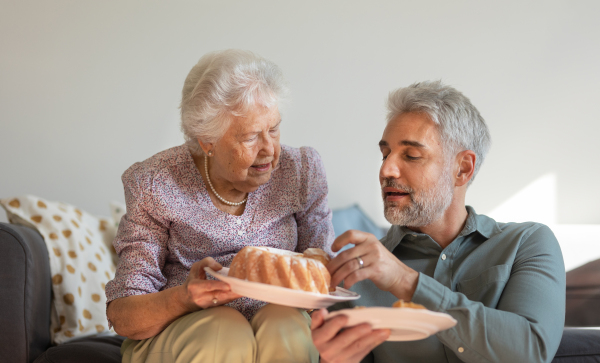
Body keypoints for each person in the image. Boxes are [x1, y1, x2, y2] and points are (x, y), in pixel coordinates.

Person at [311, 81, 565, 363]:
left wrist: (408, 282)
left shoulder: (526, 243)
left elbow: (531, 352)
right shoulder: (356, 274)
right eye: (385, 154)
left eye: (412, 155)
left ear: (462, 169)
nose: (386, 169)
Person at [105, 49, 334, 363]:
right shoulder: (155, 183)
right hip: (185, 330)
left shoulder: (301, 171)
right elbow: (125, 314)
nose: (269, 149)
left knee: (287, 325)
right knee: (225, 330)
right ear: (206, 141)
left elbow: (325, 276)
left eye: (274, 129)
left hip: (278, 326)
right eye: (252, 136)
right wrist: (185, 298)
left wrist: (312, 288)